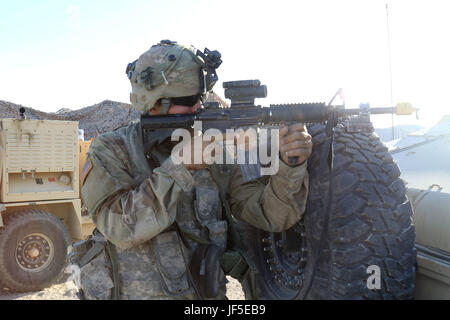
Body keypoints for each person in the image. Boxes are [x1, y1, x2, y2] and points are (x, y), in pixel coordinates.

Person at [73, 40, 313, 300]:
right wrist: (180, 166)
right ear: (154, 104)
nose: (198, 106)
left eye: (201, 97)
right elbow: (119, 226)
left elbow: (270, 216)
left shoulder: (215, 149)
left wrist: (291, 165)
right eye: (188, 100)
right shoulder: (111, 150)